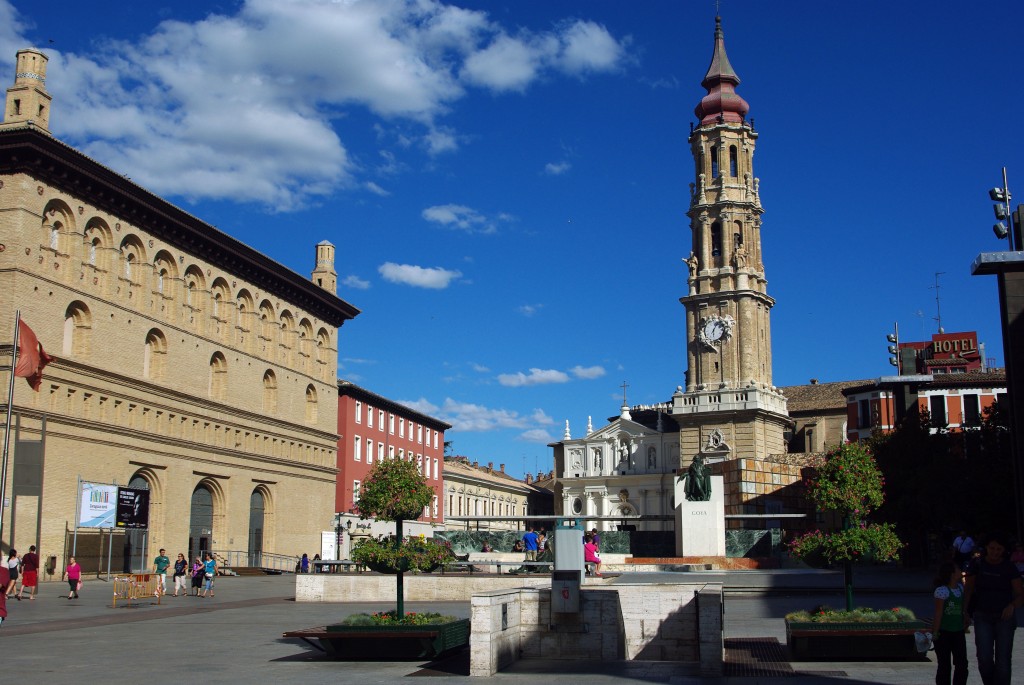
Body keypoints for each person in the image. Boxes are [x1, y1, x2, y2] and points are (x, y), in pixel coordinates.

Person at [964, 534, 1024, 685]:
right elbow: (968, 589)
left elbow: (1020, 594)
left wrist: (1012, 606)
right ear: (986, 548)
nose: (995, 552)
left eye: (999, 549)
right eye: (992, 548)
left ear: (1004, 550)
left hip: (1004, 617)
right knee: (984, 658)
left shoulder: (1009, 567)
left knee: (1003, 659)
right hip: (982, 615)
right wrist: (964, 611)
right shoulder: (977, 564)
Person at [932, 561, 968, 685]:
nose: (960, 571)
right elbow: (938, 613)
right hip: (944, 632)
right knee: (944, 665)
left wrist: (965, 618)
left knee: (962, 664)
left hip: (958, 632)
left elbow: (962, 608)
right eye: (958, 569)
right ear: (952, 574)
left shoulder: (960, 588)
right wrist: (935, 632)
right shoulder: (942, 591)